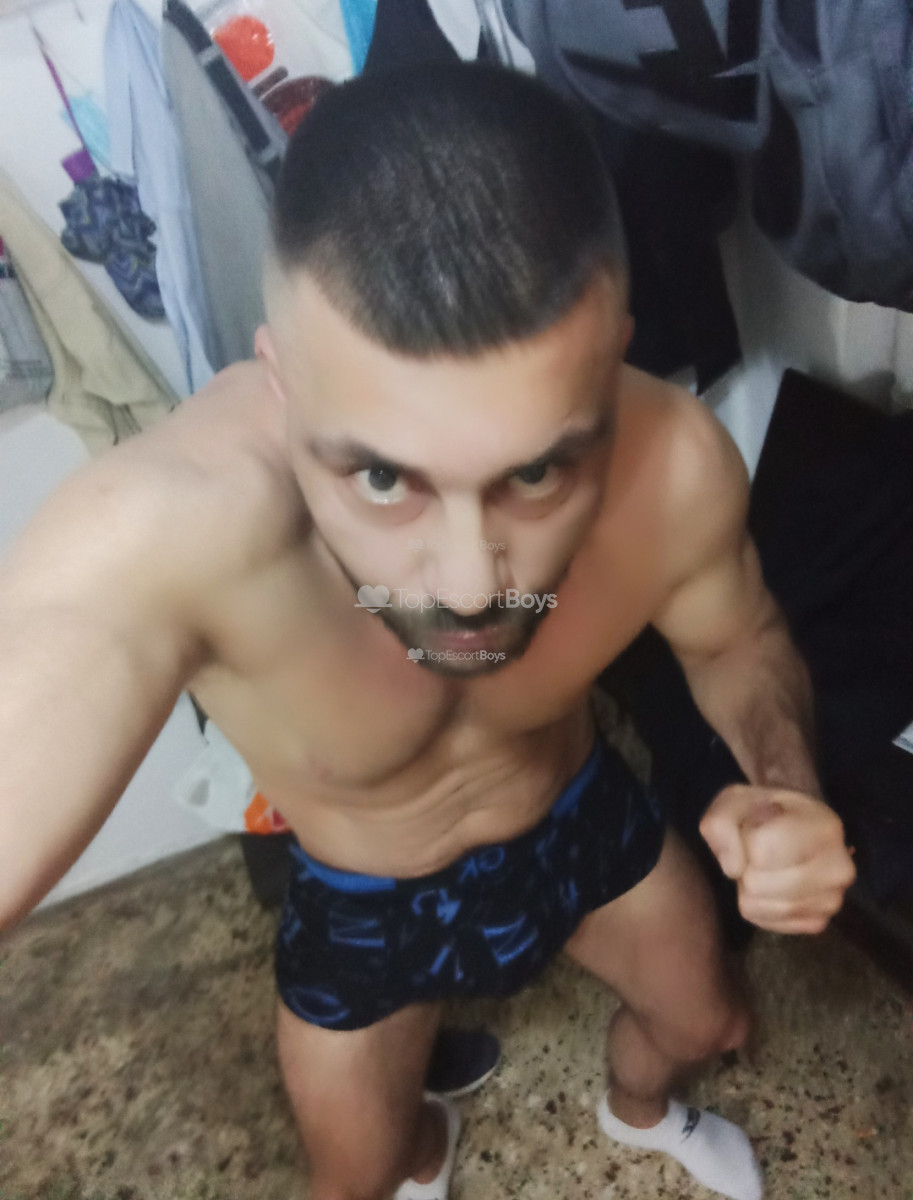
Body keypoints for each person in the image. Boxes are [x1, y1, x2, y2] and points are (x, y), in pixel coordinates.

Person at [0, 62, 856, 1200]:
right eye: (383, 478)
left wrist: (783, 787)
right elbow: (56, 644)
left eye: (537, 473)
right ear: (281, 387)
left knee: (710, 1020)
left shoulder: (675, 467)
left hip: (574, 817)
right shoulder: (174, 524)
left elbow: (735, 642)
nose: (465, 589)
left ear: (611, 364)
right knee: (352, 1178)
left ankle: (641, 1110)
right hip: (364, 894)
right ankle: (422, 1151)